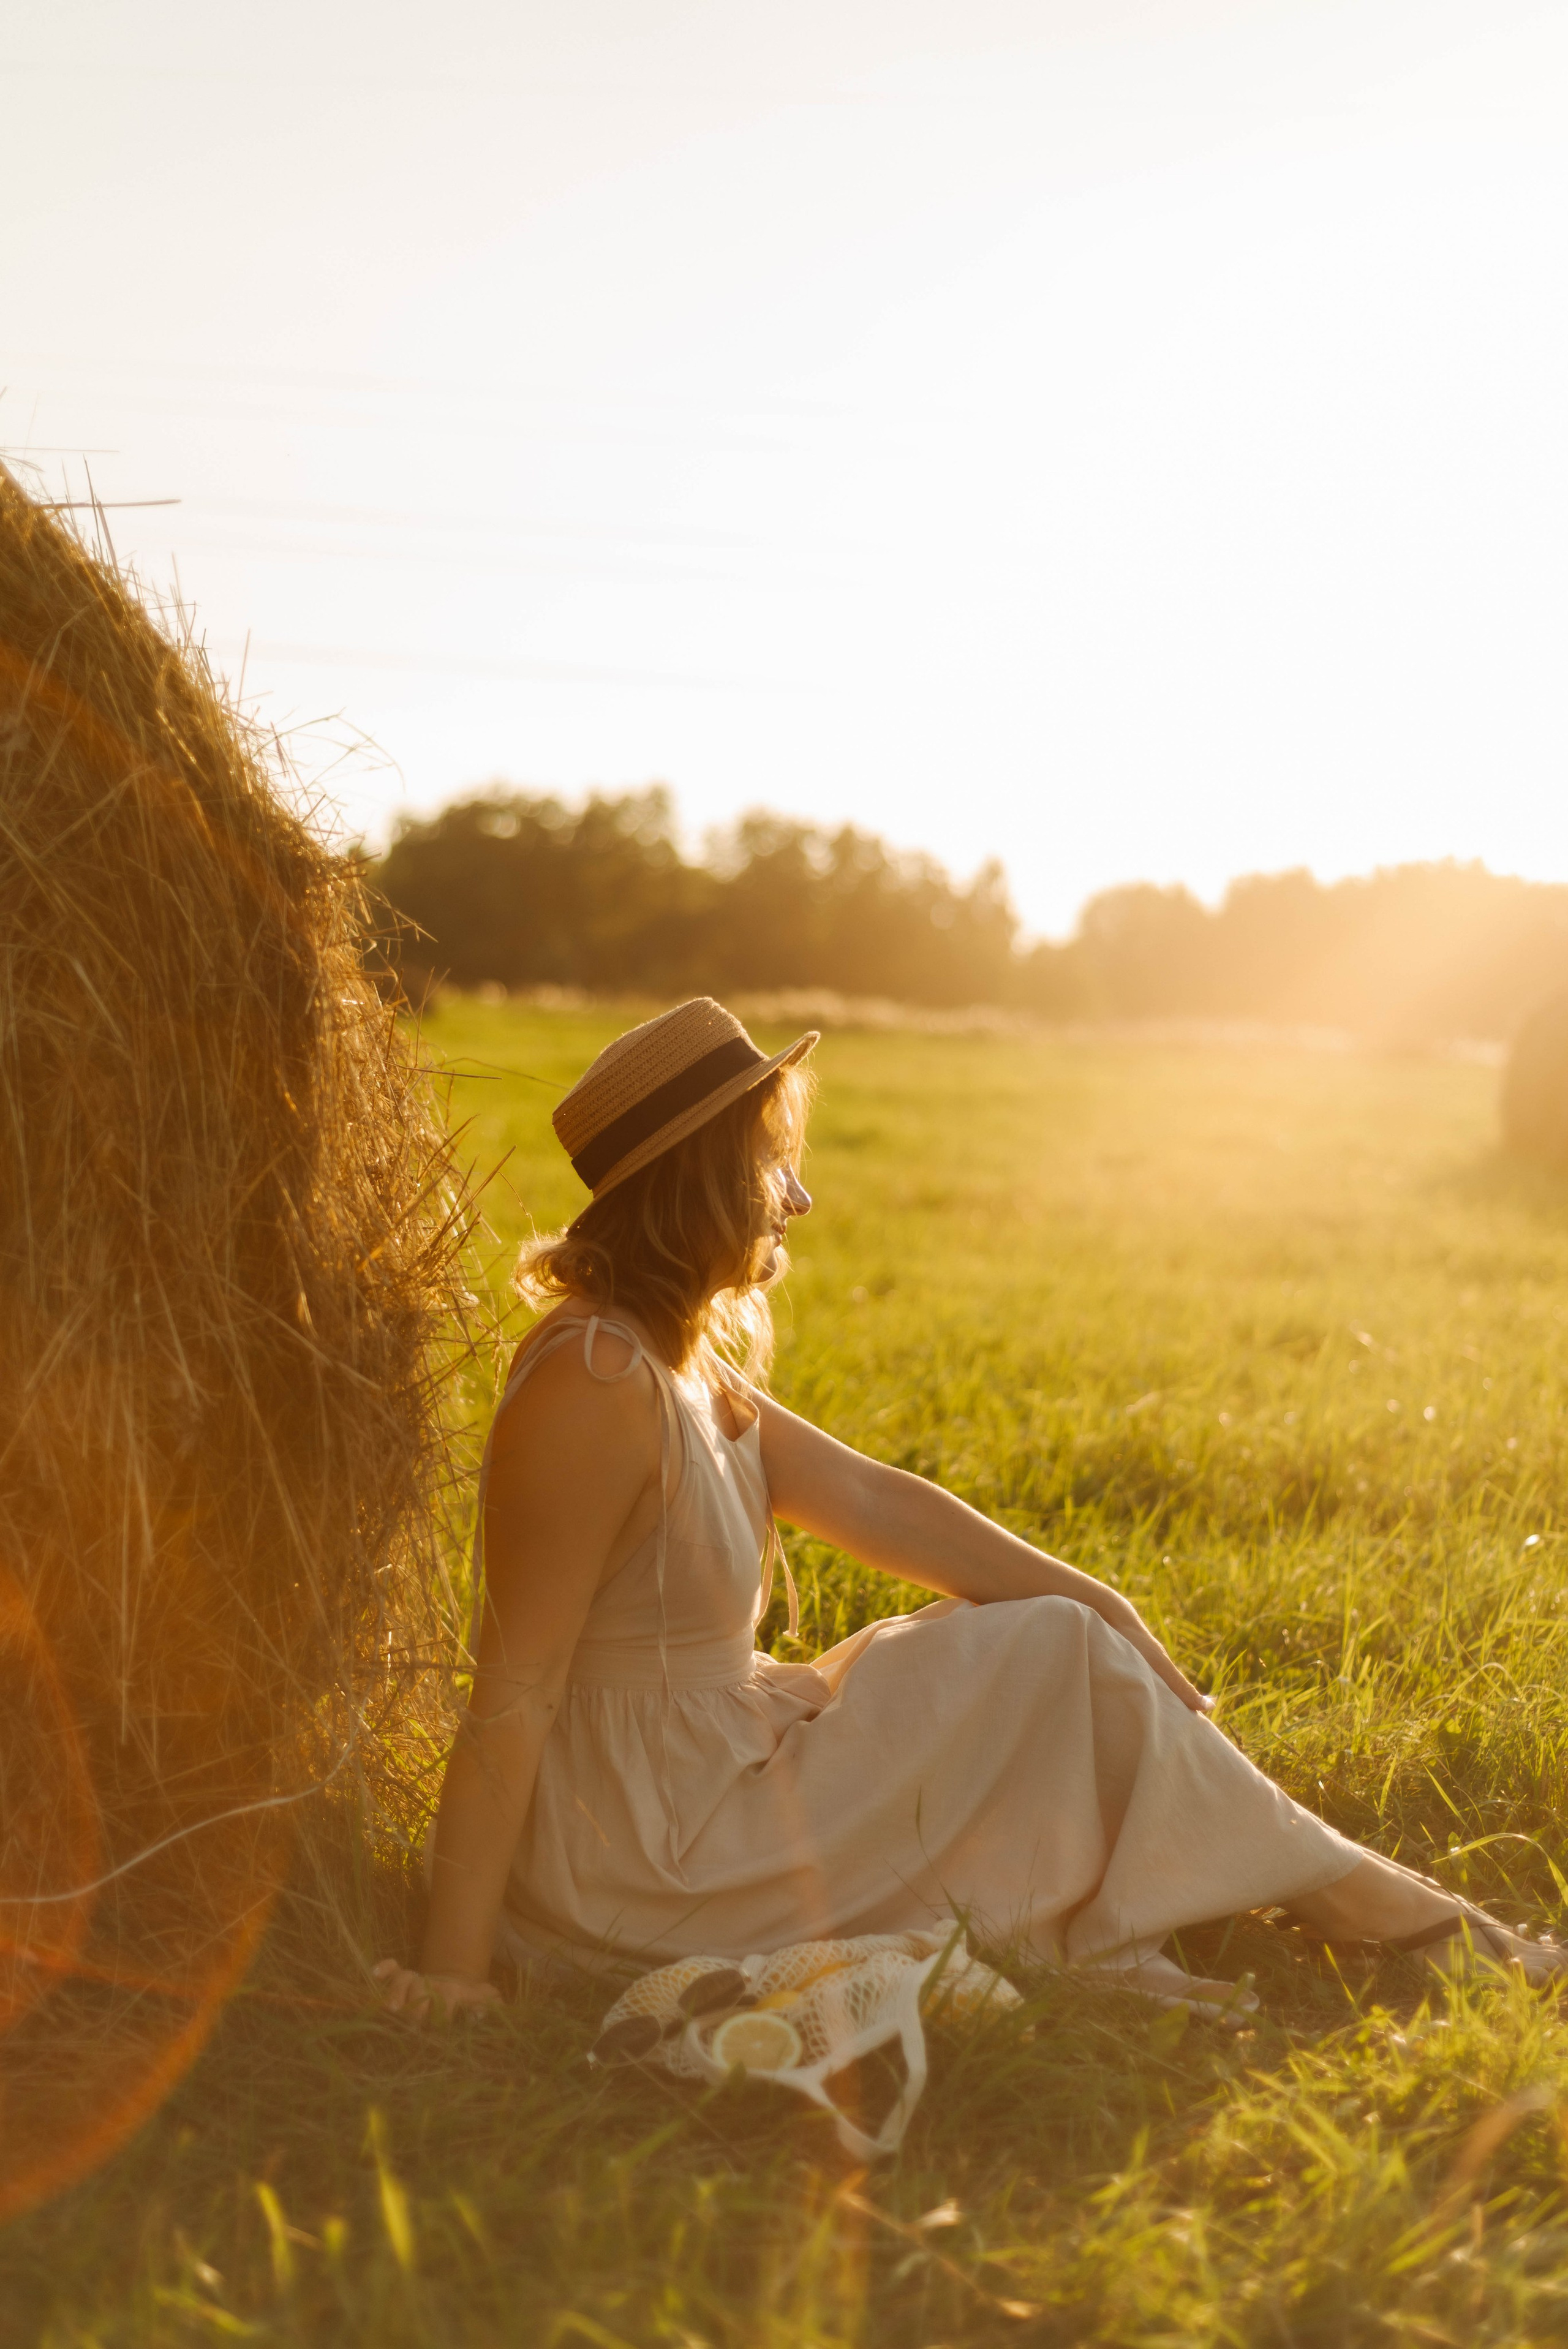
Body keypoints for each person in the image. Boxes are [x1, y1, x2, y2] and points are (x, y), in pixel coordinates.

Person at [376, 999, 1564, 2023]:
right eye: (769, 1164)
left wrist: (1105, 1607)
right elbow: (513, 1691)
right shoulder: (590, 1383)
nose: (798, 1197)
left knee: (1040, 1642)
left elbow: (872, 1498)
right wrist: (451, 1969)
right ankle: (1383, 1917)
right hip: (647, 1852)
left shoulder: (678, 1360)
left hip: (706, 1780)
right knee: (1039, 1655)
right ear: (698, 1182)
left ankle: (1352, 1901)